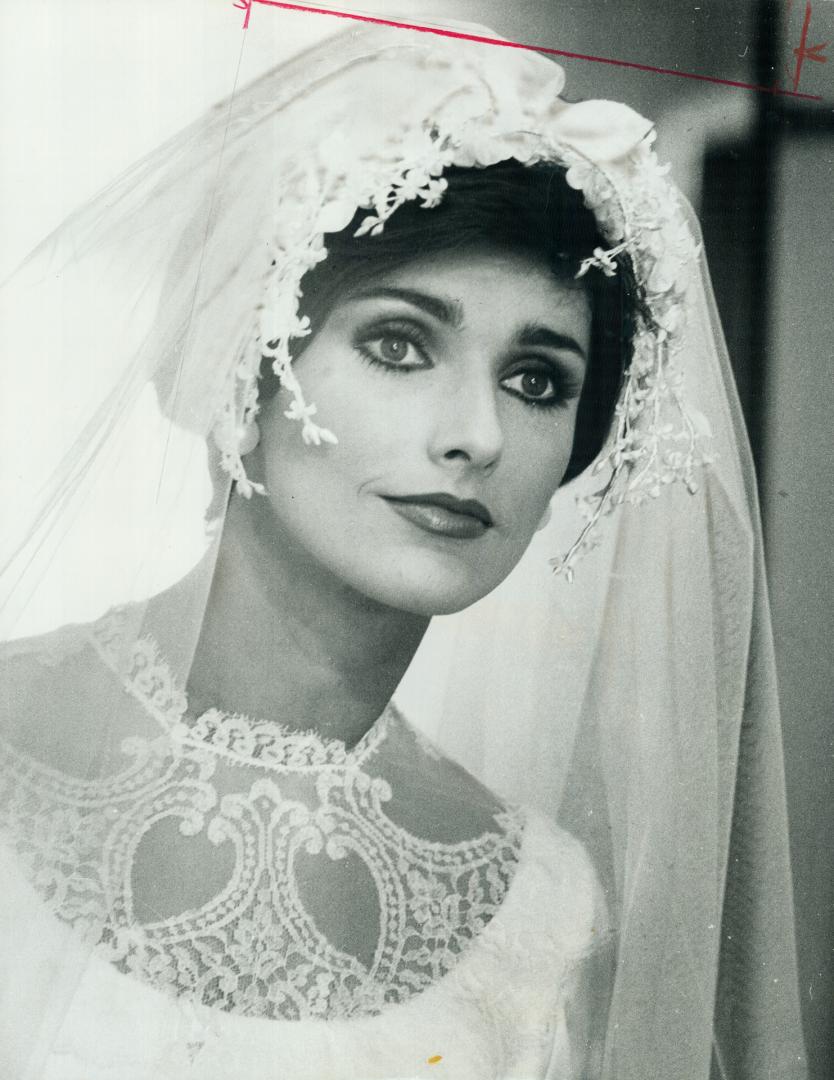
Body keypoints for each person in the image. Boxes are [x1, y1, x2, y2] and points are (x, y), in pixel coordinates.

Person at [0, 19, 807, 1080]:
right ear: (243, 370)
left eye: (537, 380)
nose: (476, 433)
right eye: (397, 344)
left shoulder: (544, 915)